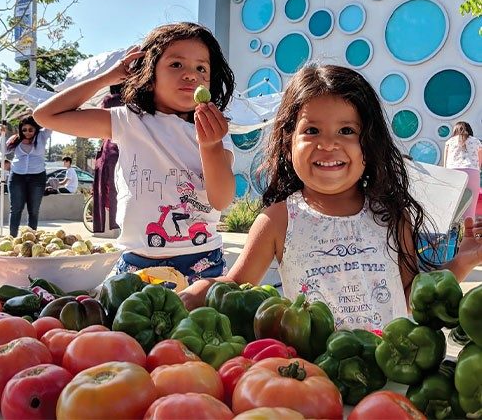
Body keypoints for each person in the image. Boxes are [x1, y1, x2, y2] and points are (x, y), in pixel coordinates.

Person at [180, 64, 482, 330]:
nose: (328, 143)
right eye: (312, 130)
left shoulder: (390, 216)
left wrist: (464, 261)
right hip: (313, 382)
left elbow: (415, 297)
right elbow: (235, 286)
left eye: (347, 130)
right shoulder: (277, 220)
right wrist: (194, 293)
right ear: (288, 144)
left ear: (369, 144)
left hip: (387, 376)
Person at [34, 22, 236, 282]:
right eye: (176, 64)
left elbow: (221, 199)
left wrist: (210, 145)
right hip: (136, 263)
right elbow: (46, 115)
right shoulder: (129, 121)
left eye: (201, 68)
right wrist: (106, 78)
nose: (191, 75)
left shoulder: (217, 129)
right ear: (150, 77)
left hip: (201, 261)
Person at [0, 116, 51, 237]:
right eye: (24, 130)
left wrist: (35, 111)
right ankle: (12, 238)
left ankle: (30, 239)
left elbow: (50, 122)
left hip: (37, 177)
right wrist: (2, 134)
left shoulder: (42, 136)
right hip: (17, 177)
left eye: (30, 129)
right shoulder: (15, 139)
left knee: (33, 210)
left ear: (36, 129)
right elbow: (4, 150)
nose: (27, 132)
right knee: (16, 209)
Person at [93, 86, 123, 233]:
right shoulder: (132, 101)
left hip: (109, 149)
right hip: (126, 147)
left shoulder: (108, 101)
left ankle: (113, 225)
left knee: (110, 190)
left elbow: (100, 124)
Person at [443, 121, 482, 219]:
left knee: (451, 206)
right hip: (472, 171)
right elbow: (479, 161)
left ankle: (452, 231)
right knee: (471, 208)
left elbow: (445, 163)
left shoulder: (449, 141)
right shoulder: (476, 141)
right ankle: (468, 231)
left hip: (453, 172)